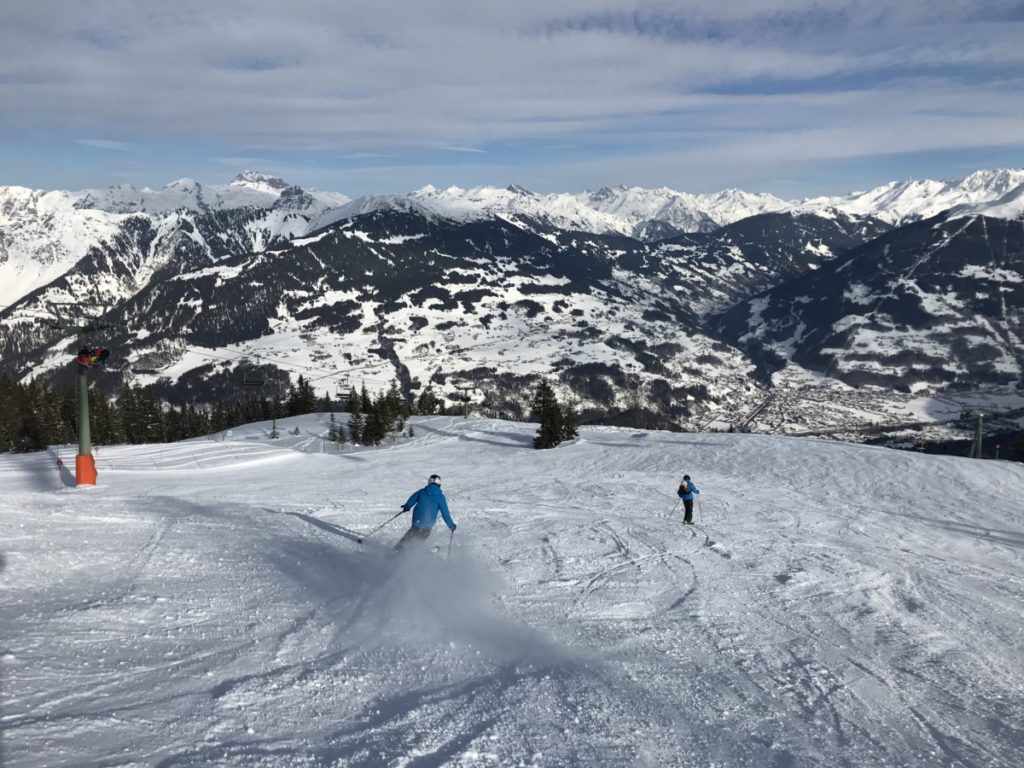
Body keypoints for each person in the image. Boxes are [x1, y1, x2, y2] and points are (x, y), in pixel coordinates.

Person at [395, 474, 456, 550]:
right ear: (439, 484)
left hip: (416, 525)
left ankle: (395, 553)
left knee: (405, 542)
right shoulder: (440, 497)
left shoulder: (421, 492)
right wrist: (451, 526)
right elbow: (445, 514)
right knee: (417, 544)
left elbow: (411, 500)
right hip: (426, 528)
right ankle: (422, 554)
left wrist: (407, 507)